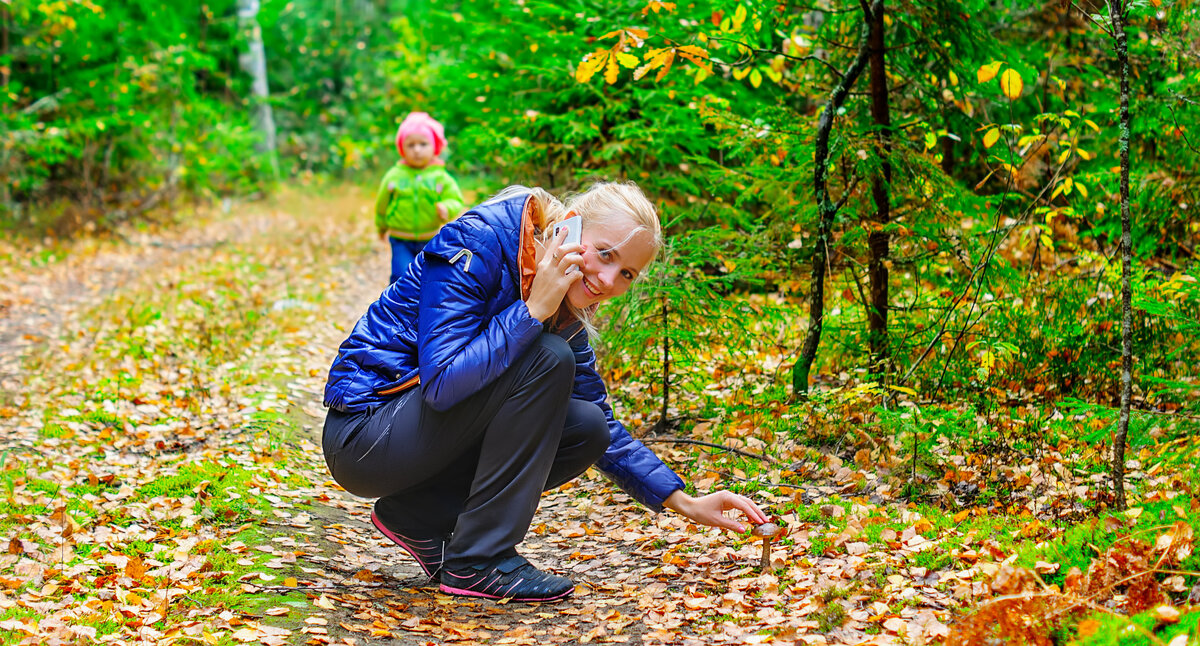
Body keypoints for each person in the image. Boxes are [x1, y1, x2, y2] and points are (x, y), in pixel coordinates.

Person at [322, 182, 768, 603]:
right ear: (568, 227)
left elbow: (602, 421)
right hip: (366, 434)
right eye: (604, 253)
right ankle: (478, 561)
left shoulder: (564, 305)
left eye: (626, 273)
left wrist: (682, 500)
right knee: (549, 357)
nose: (609, 279)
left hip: (417, 437)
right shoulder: (480, 241)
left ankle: (422, 517)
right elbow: (442, 384)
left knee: (586, 427)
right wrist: (533, 310)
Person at [375, 111, 465, 284]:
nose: (417, 150)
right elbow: (382, 203)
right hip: (401, 238)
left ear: (435, 148)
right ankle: (398, 308)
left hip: (429, 238)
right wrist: (381, 226)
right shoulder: (394, 175)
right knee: (401, 276)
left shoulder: (440, 176)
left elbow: (456, 200)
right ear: (402, 148)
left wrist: (447, 207)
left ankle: (423, 308)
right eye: (411, 145)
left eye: (423, 144)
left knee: (429, 277)